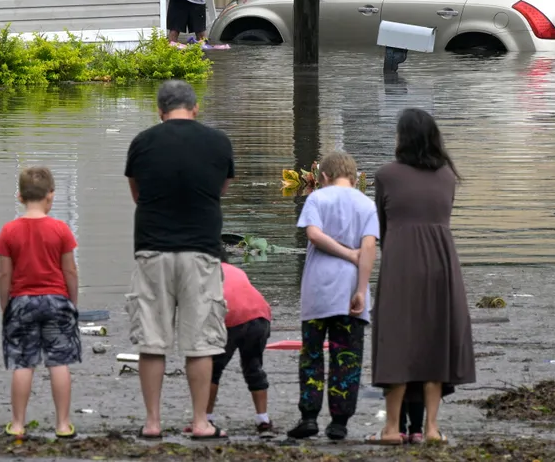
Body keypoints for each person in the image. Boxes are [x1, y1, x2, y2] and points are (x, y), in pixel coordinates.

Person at [124, 79, 235, 440]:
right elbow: (221, 190)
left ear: (160, 111)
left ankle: (152, 422)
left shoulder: (142, 142)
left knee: (152, 341)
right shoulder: (218, 143)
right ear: (195, 107)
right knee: (201, 340)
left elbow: (137, 195)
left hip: (152, 248)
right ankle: (201, 421)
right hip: (201, 249)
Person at [368, 108, 476, 446]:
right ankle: (431, 428)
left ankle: (391, 429)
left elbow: (382, 228)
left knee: (396, 342)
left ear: (404, 138)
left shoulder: (386, 174)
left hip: (401, 259)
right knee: (435, 342)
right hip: (442, 263)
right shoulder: (447, 176)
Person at [287, 151, 378, 442]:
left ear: (323, 176)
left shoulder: (317, 198)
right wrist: (361, 290)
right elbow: (369, 250)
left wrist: (344, 252)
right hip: (351, 288)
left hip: (317, 291)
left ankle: (309, 416)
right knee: (347, 357)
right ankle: (339, 422)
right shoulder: (367, 204)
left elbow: (313, 234)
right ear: (354, 176)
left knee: (312, 354)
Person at [0, 166, 81, 440]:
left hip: (21, 301)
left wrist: (4, 303)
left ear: (20, 196)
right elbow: (70, 270)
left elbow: (4, 273)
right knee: (59, 362)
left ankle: (18, 424)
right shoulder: (61, 229)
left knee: (23, 362)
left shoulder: (9, 231)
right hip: (57, 300)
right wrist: (72, 300)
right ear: (51, 195)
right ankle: (63, 424)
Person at [185, 248, 274, 437]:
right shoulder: (236, 270)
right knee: (254, 367)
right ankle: (263, 419)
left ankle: (205, 418)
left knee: (212, 369)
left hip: (232, 317)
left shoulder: (204, 273)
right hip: (260, 316)